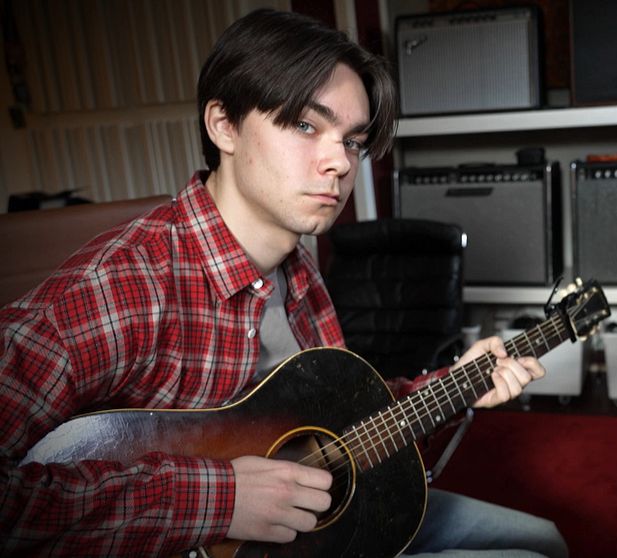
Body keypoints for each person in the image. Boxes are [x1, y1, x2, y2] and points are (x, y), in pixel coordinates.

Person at [0, 9, 567, 558]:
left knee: (546, 538)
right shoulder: (124, 285)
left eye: (352, 140)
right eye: (305, 125)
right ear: (224, 125)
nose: (340, 163)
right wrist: (220, 502)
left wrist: (459, 383)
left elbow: (342, 423)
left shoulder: (299, 268)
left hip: (314, 526)